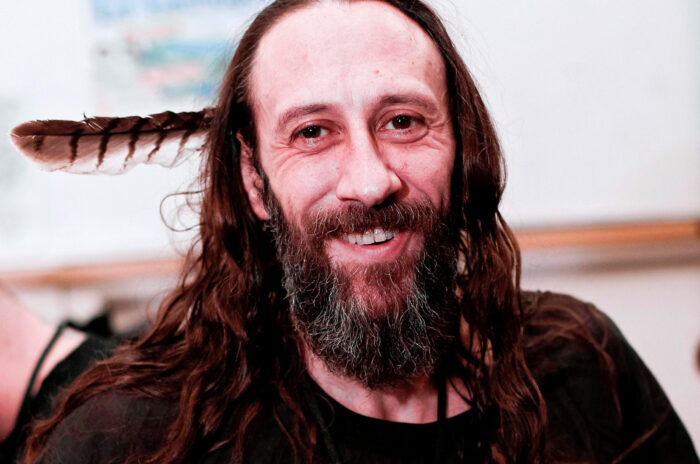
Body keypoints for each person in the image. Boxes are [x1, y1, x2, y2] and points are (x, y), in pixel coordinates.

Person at [14, 0, 698, 463]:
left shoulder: (583, 368)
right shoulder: (135, 441)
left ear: (462, 149)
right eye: (312, 132)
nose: (370, 183)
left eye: (403, 121)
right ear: (253, 179)